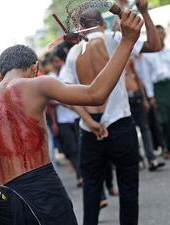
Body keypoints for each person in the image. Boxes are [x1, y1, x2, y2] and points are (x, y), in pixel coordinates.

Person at [0, 10, 143, 225]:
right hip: (42, 191)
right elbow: (95, 94)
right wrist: (127, 41)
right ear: (35, 67)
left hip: (3, 201)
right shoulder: (39, 84)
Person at [62, 1, 161, 225]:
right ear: (101, 24)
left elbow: (67, 95)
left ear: (80, 27)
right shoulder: (115, 39)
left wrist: (89, 121)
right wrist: (144, 11)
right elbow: (155, 45)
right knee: (128, 188)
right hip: (119, 123)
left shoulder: (73, 53)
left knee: (92, 189)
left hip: (89, 130)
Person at [125, 59, 165, 170]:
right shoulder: (108, 59)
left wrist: (144, 99)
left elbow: (138, 79)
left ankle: (151, 159)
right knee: (130, 131)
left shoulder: (128, 61)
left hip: (136, 96)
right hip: (125, 100)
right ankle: (138, 159)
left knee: (145, 128)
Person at [137, 25, 170, 159]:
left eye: (162, 33)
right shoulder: (147, 55)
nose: (160, 36)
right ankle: (166, 147)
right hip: (158, 87)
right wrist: (150, 95)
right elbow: (145, 75)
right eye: (157, 34)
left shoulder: (168, 51)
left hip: (169, 83)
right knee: (163, 119)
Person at [51, 44, 82, 186]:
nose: (55, 64)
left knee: (80, 147)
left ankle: (83, 174)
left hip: (75, 115)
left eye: (57, 61)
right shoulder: (50, 78)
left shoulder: (68, 71)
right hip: (62, 119)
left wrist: (57, 98)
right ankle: (80, 175)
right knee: (71, 149)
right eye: (53, 62)